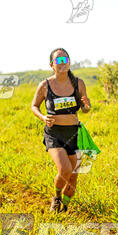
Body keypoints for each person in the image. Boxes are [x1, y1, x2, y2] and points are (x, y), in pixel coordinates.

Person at [31, 48, 92, 213]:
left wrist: (87, 106)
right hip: (54, 134)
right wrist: (43, 117)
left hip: (74, 134)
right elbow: (34, 106)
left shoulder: (78, 83)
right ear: (52, 64)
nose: (63, 63)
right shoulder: (45, 85)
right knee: (64, 169)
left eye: (66, 59)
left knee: (72, 178)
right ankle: (56, 197)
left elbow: (85, 109)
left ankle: (64, 208)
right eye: (58, 60)